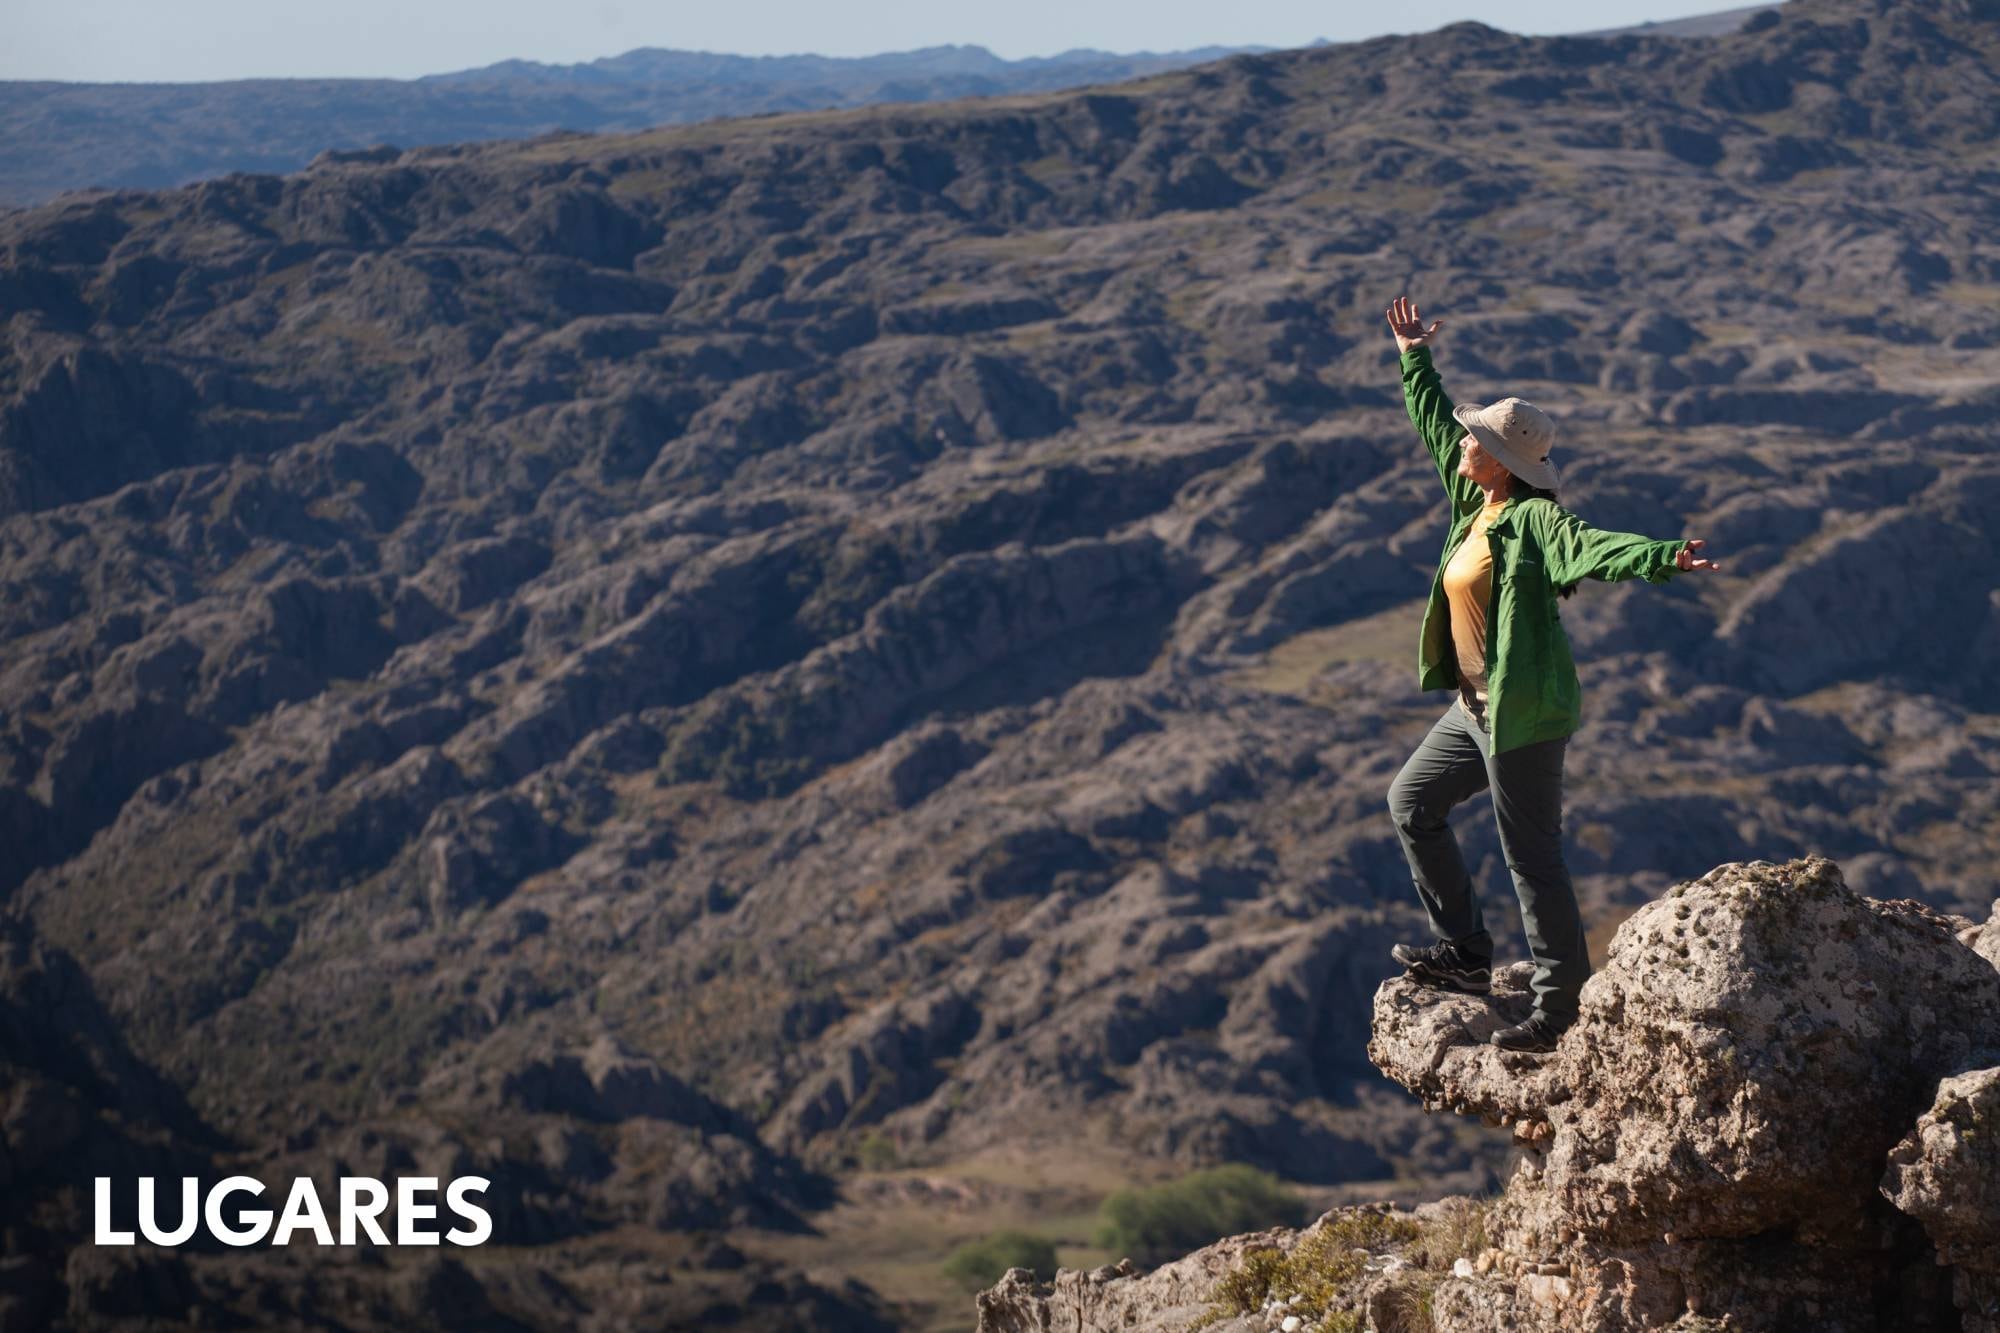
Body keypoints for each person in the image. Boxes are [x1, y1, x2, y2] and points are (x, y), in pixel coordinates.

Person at [1379, 295, 1721, 1053]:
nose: (1463, 443)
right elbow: (1434, 423)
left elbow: (1591, 546)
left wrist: (1661, 555)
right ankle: (1466, 954)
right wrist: (1413, 358)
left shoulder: (1533, 520)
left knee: (1532, 858)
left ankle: (1559, 1008)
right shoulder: (1474, 499)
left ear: (1501, 461)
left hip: (1524, 711)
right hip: (1475, 706)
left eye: (1476, 440)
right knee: (1411, 803)